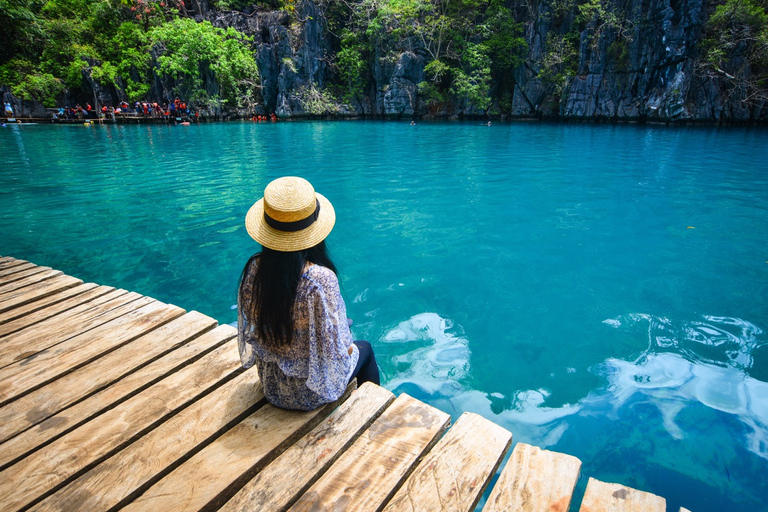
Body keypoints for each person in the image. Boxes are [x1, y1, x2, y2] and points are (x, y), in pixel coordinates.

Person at [238, 176, 380, 411]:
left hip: (273, 386)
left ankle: (339, 325)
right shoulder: (319, 280)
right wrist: (344, 338)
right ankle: (369, 412)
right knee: (364, 348)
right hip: (311, 394)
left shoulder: (254, 268)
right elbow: (338, 353)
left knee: (340, 327)